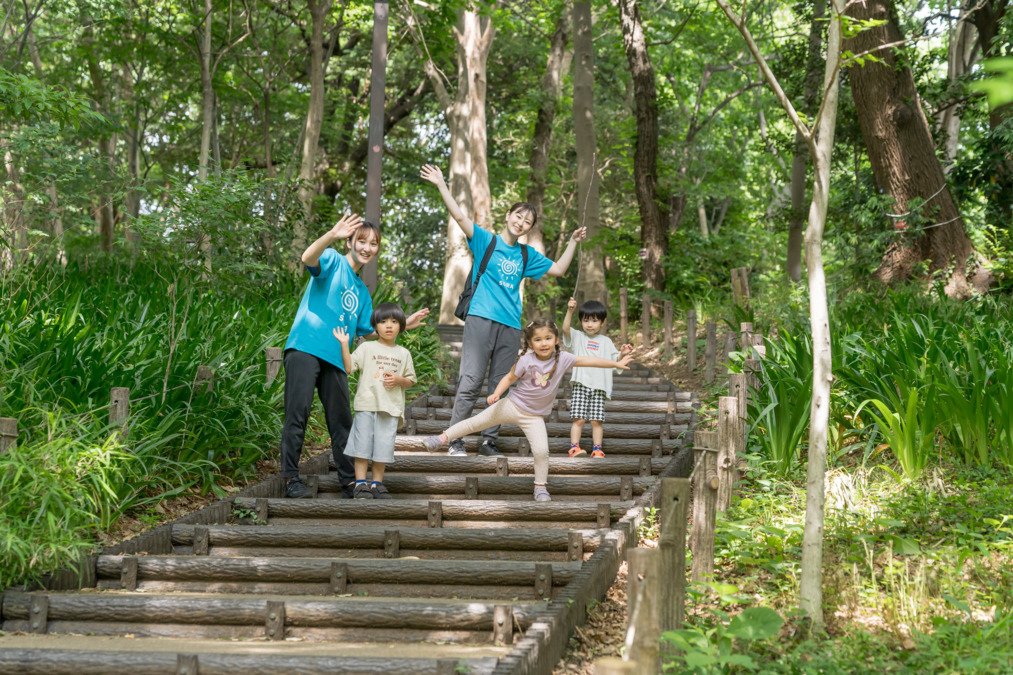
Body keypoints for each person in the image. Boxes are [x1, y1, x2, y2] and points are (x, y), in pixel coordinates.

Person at [420, 163, 586, 458]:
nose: (521, 222)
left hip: (511, 325)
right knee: (470, 380)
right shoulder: (486, 240)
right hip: (481, 319)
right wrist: (441, 184)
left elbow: (559, 269)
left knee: (502, 384)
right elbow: (459, 215)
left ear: (529, 229)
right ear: (508, 216)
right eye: (518, 216)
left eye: (528, 221)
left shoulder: (526, 254)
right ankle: (454, 440)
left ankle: (488, 441)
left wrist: (572, 241)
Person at [280, 214, 428, 499]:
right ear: (349, 241)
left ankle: (350, 481)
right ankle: (290, 478)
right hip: (305, 348)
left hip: (337, 358)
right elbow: (307, 257)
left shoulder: (362, 291)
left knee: (342, 420)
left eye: (373, 244)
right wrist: (331, 234)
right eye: (361, 240)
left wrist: (402, 323)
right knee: (297, 413)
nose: (367, 247)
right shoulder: (333, 260)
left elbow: (367, 331)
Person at [421, 318, 633, 501]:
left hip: (534, 417)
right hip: (511, 406)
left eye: (548, 338)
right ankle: (441, 439)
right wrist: (497, 393)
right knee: (475, 423)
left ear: (556, 340)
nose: (544, 343)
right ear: (530, 343)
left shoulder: (563, 358)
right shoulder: (526, 360)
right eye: (538, 340)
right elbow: (509, 377)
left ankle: (540, 487)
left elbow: (589, 360)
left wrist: (616, 364)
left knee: (542, 451)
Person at [332, 302, 416, 500]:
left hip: (390, 408)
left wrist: (398, 380)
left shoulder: (403, 353)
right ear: (375, 326)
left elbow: (411, 380)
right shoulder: (367, 348)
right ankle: (360, 484)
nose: (388, 326)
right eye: (383, 321)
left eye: (394, 322)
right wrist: (344, 344)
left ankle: (377, 484)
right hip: (367, 404)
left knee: (383, 447)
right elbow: (349, 367)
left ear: (401, 326)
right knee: (361, 445)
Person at [561, 297, 634, 458]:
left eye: (594, 321)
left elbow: (614, 360)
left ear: (603, 322)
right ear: (581, 321)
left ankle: (597, 449)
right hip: (581, 384)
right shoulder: (578, 337)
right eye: (586, 320)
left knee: (596, 421)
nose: (589, 324)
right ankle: (574, 448)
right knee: (578, 418)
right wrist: (570, 310)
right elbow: (565, 328)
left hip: (599, 386)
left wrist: (622, 353)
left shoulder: (606, 341)